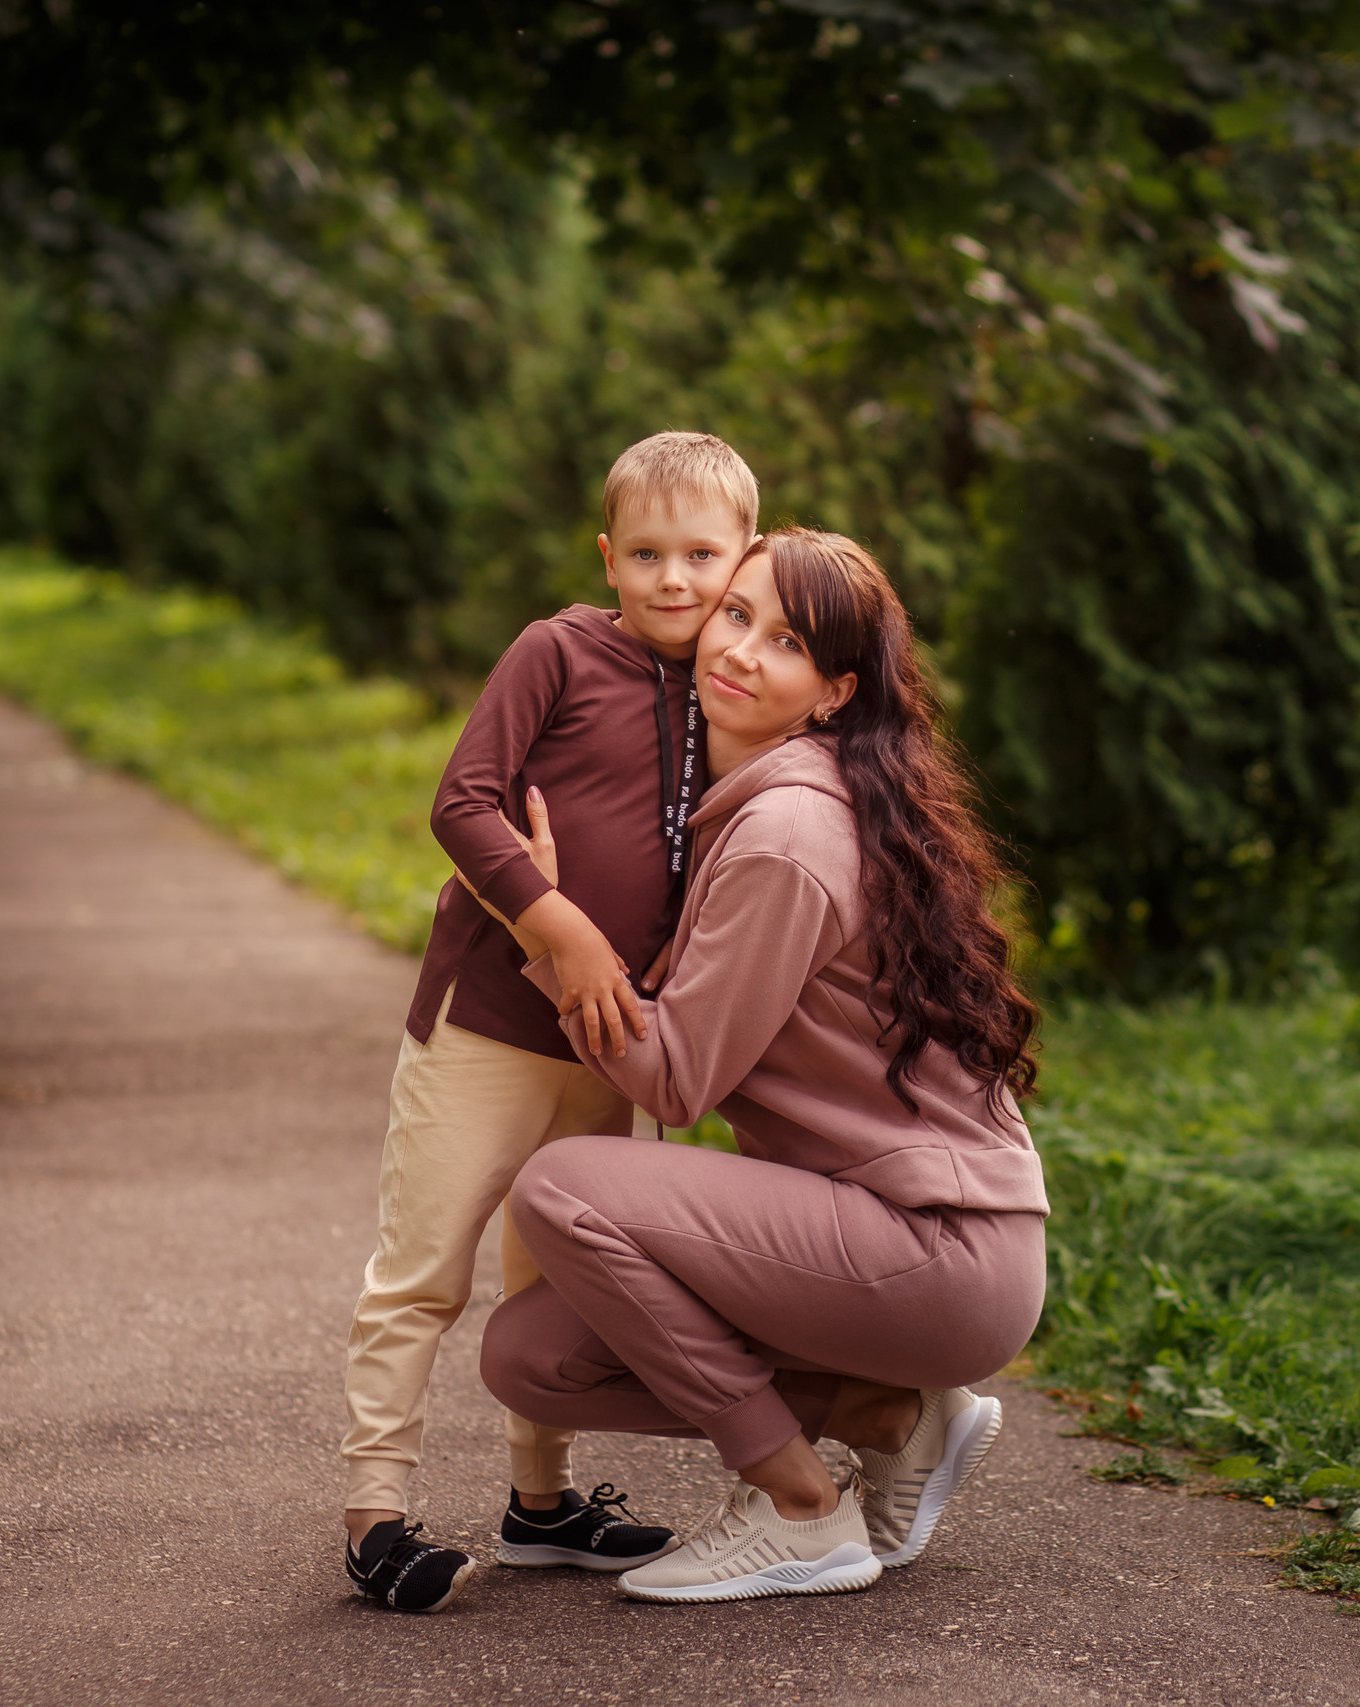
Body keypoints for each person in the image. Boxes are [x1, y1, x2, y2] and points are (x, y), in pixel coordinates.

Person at [478, 527, 1050, 1604]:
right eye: (734, 615)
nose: (738, 649)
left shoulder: (787, 831)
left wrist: (551, 940)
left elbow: (679, 1081)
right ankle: (889, 1417)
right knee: (529, 1357)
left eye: (782, 641)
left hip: (938, 1252)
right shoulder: (780, 801)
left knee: (561, 1190)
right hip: (888, 1240)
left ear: (832, 692)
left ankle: (796, 1506)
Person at [338, 432, 762, 1612]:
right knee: (424, 1266)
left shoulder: (731, 690)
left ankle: (542, 1504)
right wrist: (556, 923)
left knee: (557, 1278)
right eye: (645, 554)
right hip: (485, 1023)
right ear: (606, 555)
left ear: (745, 558)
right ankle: (375, 1511)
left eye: (701, 555)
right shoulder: (558, 652)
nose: (673, 580)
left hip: (609, 1041)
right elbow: (462, 802)